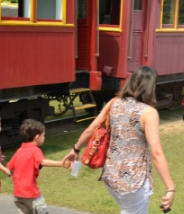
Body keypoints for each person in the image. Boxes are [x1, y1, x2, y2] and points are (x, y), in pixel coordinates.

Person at [62, 66, 175, 213]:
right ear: (151, 86)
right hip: (132, 182)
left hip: (111, 176)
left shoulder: (114, 102)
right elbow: (157, 153)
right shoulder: (149, 113)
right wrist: (170, 187)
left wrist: (75, 149)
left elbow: (91, 130)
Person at [8, 119, 70, 214]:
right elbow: (43, 162)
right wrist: (61, 163)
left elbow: (10, 167)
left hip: (18, 195)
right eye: (43, 135)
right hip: (32, 195)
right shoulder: (35, 150)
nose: (44, 137)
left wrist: (13, 175)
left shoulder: (19, 151)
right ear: (37, 137)